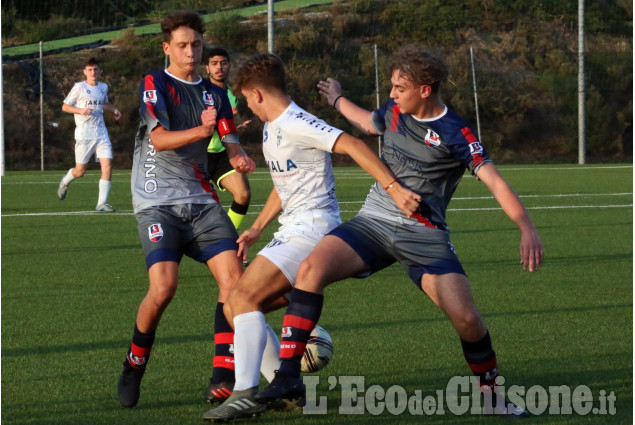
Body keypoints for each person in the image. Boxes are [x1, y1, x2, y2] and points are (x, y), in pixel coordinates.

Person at [255, 45, 544, 418]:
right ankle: (288, 377)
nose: (391, 94)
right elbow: (364, 121)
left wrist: (526, 227)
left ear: (425, 89)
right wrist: (337, 97)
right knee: (311, 269)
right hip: (373, 222)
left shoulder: (455, 132)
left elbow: (495, 181)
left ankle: (492, 398)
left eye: (399, 87)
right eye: (392, 86)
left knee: (468, 321)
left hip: (424, 236)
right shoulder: (393, 113)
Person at [202, 53, 420, 422]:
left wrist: (393, 188)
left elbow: (353, 144)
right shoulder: (272, 127)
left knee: (240, 297)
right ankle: (285, 389)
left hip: (313, 229)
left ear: (256, 94)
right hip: (293, 228)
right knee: (236, 304)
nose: (245, 107)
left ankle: (244, 394)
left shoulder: (296, 122)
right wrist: (256, 227)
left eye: (244, 99)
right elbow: (284, 184)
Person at [117, 10, 256, 409]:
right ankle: (134, 363)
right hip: (157, 200)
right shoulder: (155, 83)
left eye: (196, 43)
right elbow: (159, 140)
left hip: (201, 200)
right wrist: (202, 129)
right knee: (163, 289)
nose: (190, 51)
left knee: (235, 282)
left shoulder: (215, 94)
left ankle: (222, 373)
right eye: (182, 45)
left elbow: (230, 143)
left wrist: (240, 156)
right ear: (167, 48)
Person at [58, 57, 121, 211]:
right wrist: (80, 110)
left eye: (95, 69)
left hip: (101, 132)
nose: (93, 72)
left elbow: (103, 103)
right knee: (80, 171)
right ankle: (65, 182)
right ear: (85, 72)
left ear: (99, 71)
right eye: (90, 69)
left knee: (107, 166)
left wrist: (113, 109)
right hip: (84, 134)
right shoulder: (79, 87)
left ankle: (101, 204)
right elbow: (65, 107)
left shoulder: (103, 87)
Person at [203, 47, 252, 232]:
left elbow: (226, 125)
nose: (219, 67)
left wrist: (234, 131)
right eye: (214, 64)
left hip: (223, 153)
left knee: (243, 194)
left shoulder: (232, 95)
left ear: (229, 66)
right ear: (207, 68)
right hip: (201, 154)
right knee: (204, 207)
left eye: (223, 63)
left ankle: (229, 240)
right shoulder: (201, 92)